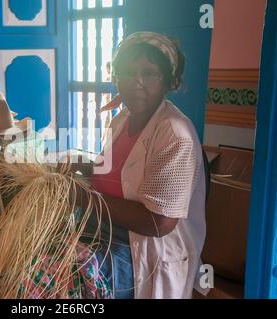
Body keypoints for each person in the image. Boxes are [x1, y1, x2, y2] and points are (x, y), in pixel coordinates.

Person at [73, 31, 207, 299]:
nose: (136, 82)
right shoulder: (122, 118)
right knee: (38, 264)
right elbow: (118, 173)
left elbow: (159, 222)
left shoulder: (174, 133)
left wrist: (82, 198)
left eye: (149, 73)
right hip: (105, 232)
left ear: (170, 81)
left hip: (140, 249)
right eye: (126, 71)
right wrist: (83, 167)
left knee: (69, 287)